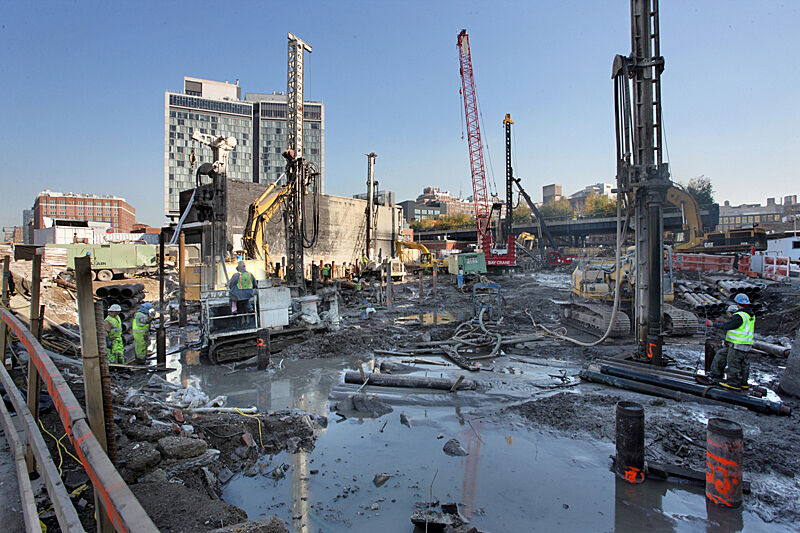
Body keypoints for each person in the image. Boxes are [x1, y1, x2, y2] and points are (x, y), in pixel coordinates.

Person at [705, 293, 755, 391]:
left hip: (737, 345)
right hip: (745, 344)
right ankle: (741, 382)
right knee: (723, 355)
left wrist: (712, 324)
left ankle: (734, 384)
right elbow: (735, 324)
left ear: (738, 303)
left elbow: (729, 326)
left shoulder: (740, 315)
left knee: (734, 363)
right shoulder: (749, 315)